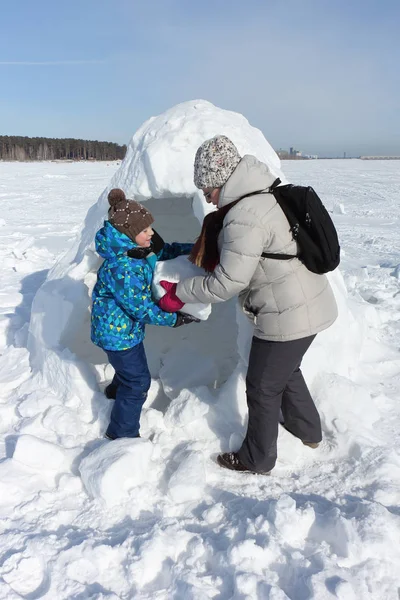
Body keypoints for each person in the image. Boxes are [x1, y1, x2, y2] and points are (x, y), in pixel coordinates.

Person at [159, 135, 338, 475]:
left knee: (261, 386)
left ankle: (257, 458)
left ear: (220, 179)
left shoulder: (244, 215)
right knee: (285, 371)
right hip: (309, 305)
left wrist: (181, 291)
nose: (207, 199)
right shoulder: (263, 196)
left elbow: (228, 282)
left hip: (287, 315)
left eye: (207, 189)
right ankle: (308, 431)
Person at [91, 188, 197, 440]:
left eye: (150, 227)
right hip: (116, 334)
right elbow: (140, 307)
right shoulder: (123, 267)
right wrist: (174, 318)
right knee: (138, 382)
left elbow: (163, 250)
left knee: (128, 370)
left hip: (123, 330)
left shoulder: (136, 249)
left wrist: (195, 249)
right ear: (128, 233)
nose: (151, 233)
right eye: (145, 229)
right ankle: (122, 433)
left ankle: (115, 393)